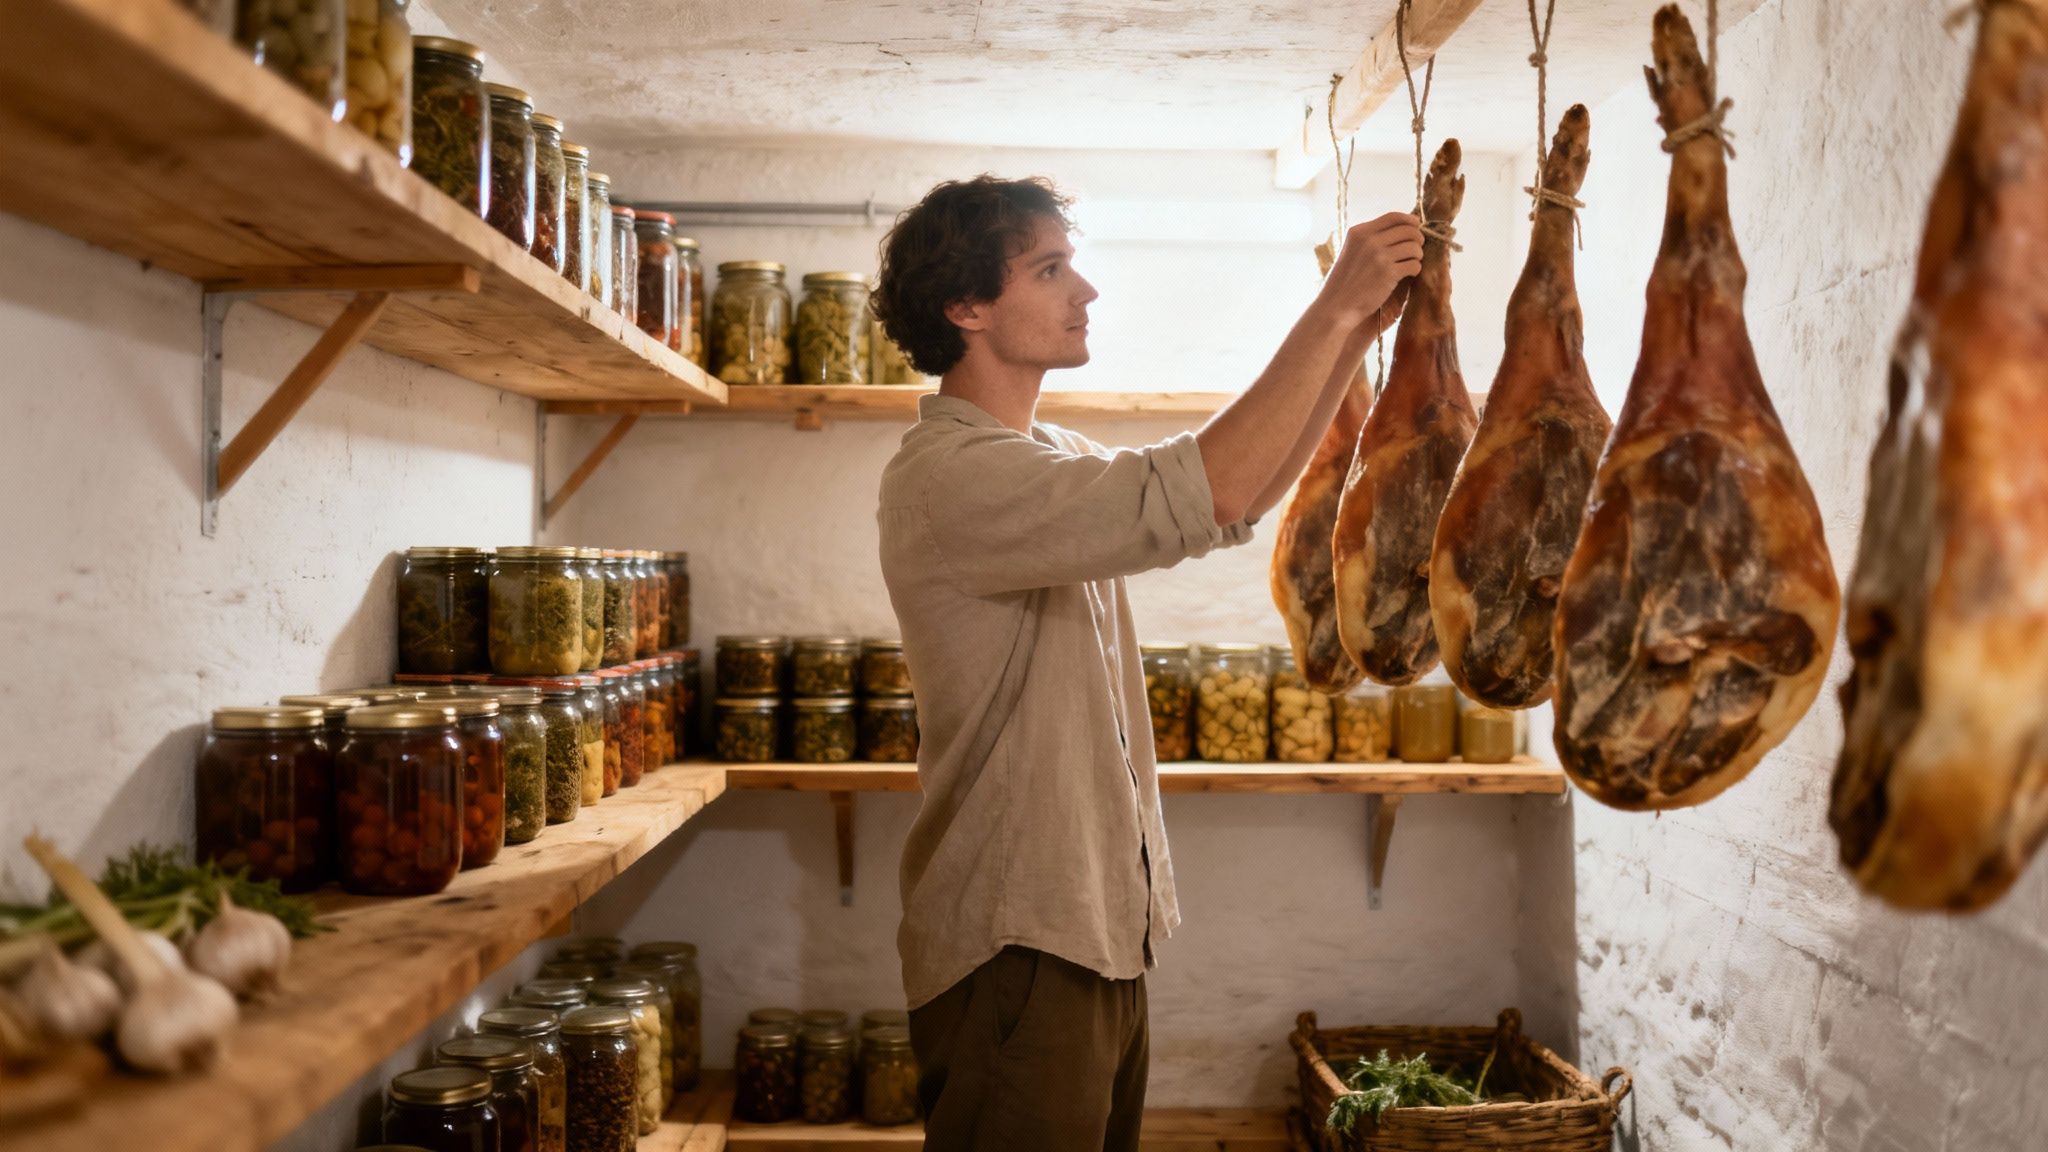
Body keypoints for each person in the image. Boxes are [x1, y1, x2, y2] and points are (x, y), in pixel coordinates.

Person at [871, 175, 1421, 1151]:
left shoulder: (1044, 453)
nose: (1084, 291)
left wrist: (1351, 345)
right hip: (1017, 939)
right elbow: (1201, 491)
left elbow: (1235, 498)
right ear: (966, 308)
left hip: (1087, 932)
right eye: (1049, 269)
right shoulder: (953, 477)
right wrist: (1330, 307)